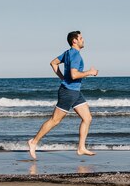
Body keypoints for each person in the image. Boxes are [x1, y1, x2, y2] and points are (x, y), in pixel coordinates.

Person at [28, 31, 98, 160]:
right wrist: (90, 72)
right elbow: (74, 75)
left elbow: (53, 63)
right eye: (81, 38)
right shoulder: (75, 55)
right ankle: (34, 142)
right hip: (68, 92)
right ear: (74, 41)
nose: (84, 40)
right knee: (55, 120)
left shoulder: (67, 53)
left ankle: (81, 148)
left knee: (87, 118)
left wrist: (62, 77)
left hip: (75, 92)